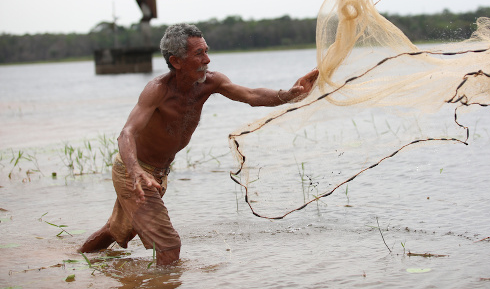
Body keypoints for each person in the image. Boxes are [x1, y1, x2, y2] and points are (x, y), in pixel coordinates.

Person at [78, 23, 319, 265]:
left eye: (206, 51)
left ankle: (77, 259)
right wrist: (135, 171)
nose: (208, 59)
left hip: (157, 174)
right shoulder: (158, 90)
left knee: (118, 230)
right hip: (134, 173)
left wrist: (290, 94)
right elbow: (126, 134)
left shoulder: (211, 83)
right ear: (176, 62)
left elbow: (251, 96)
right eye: (199, 54)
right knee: (169, 246)